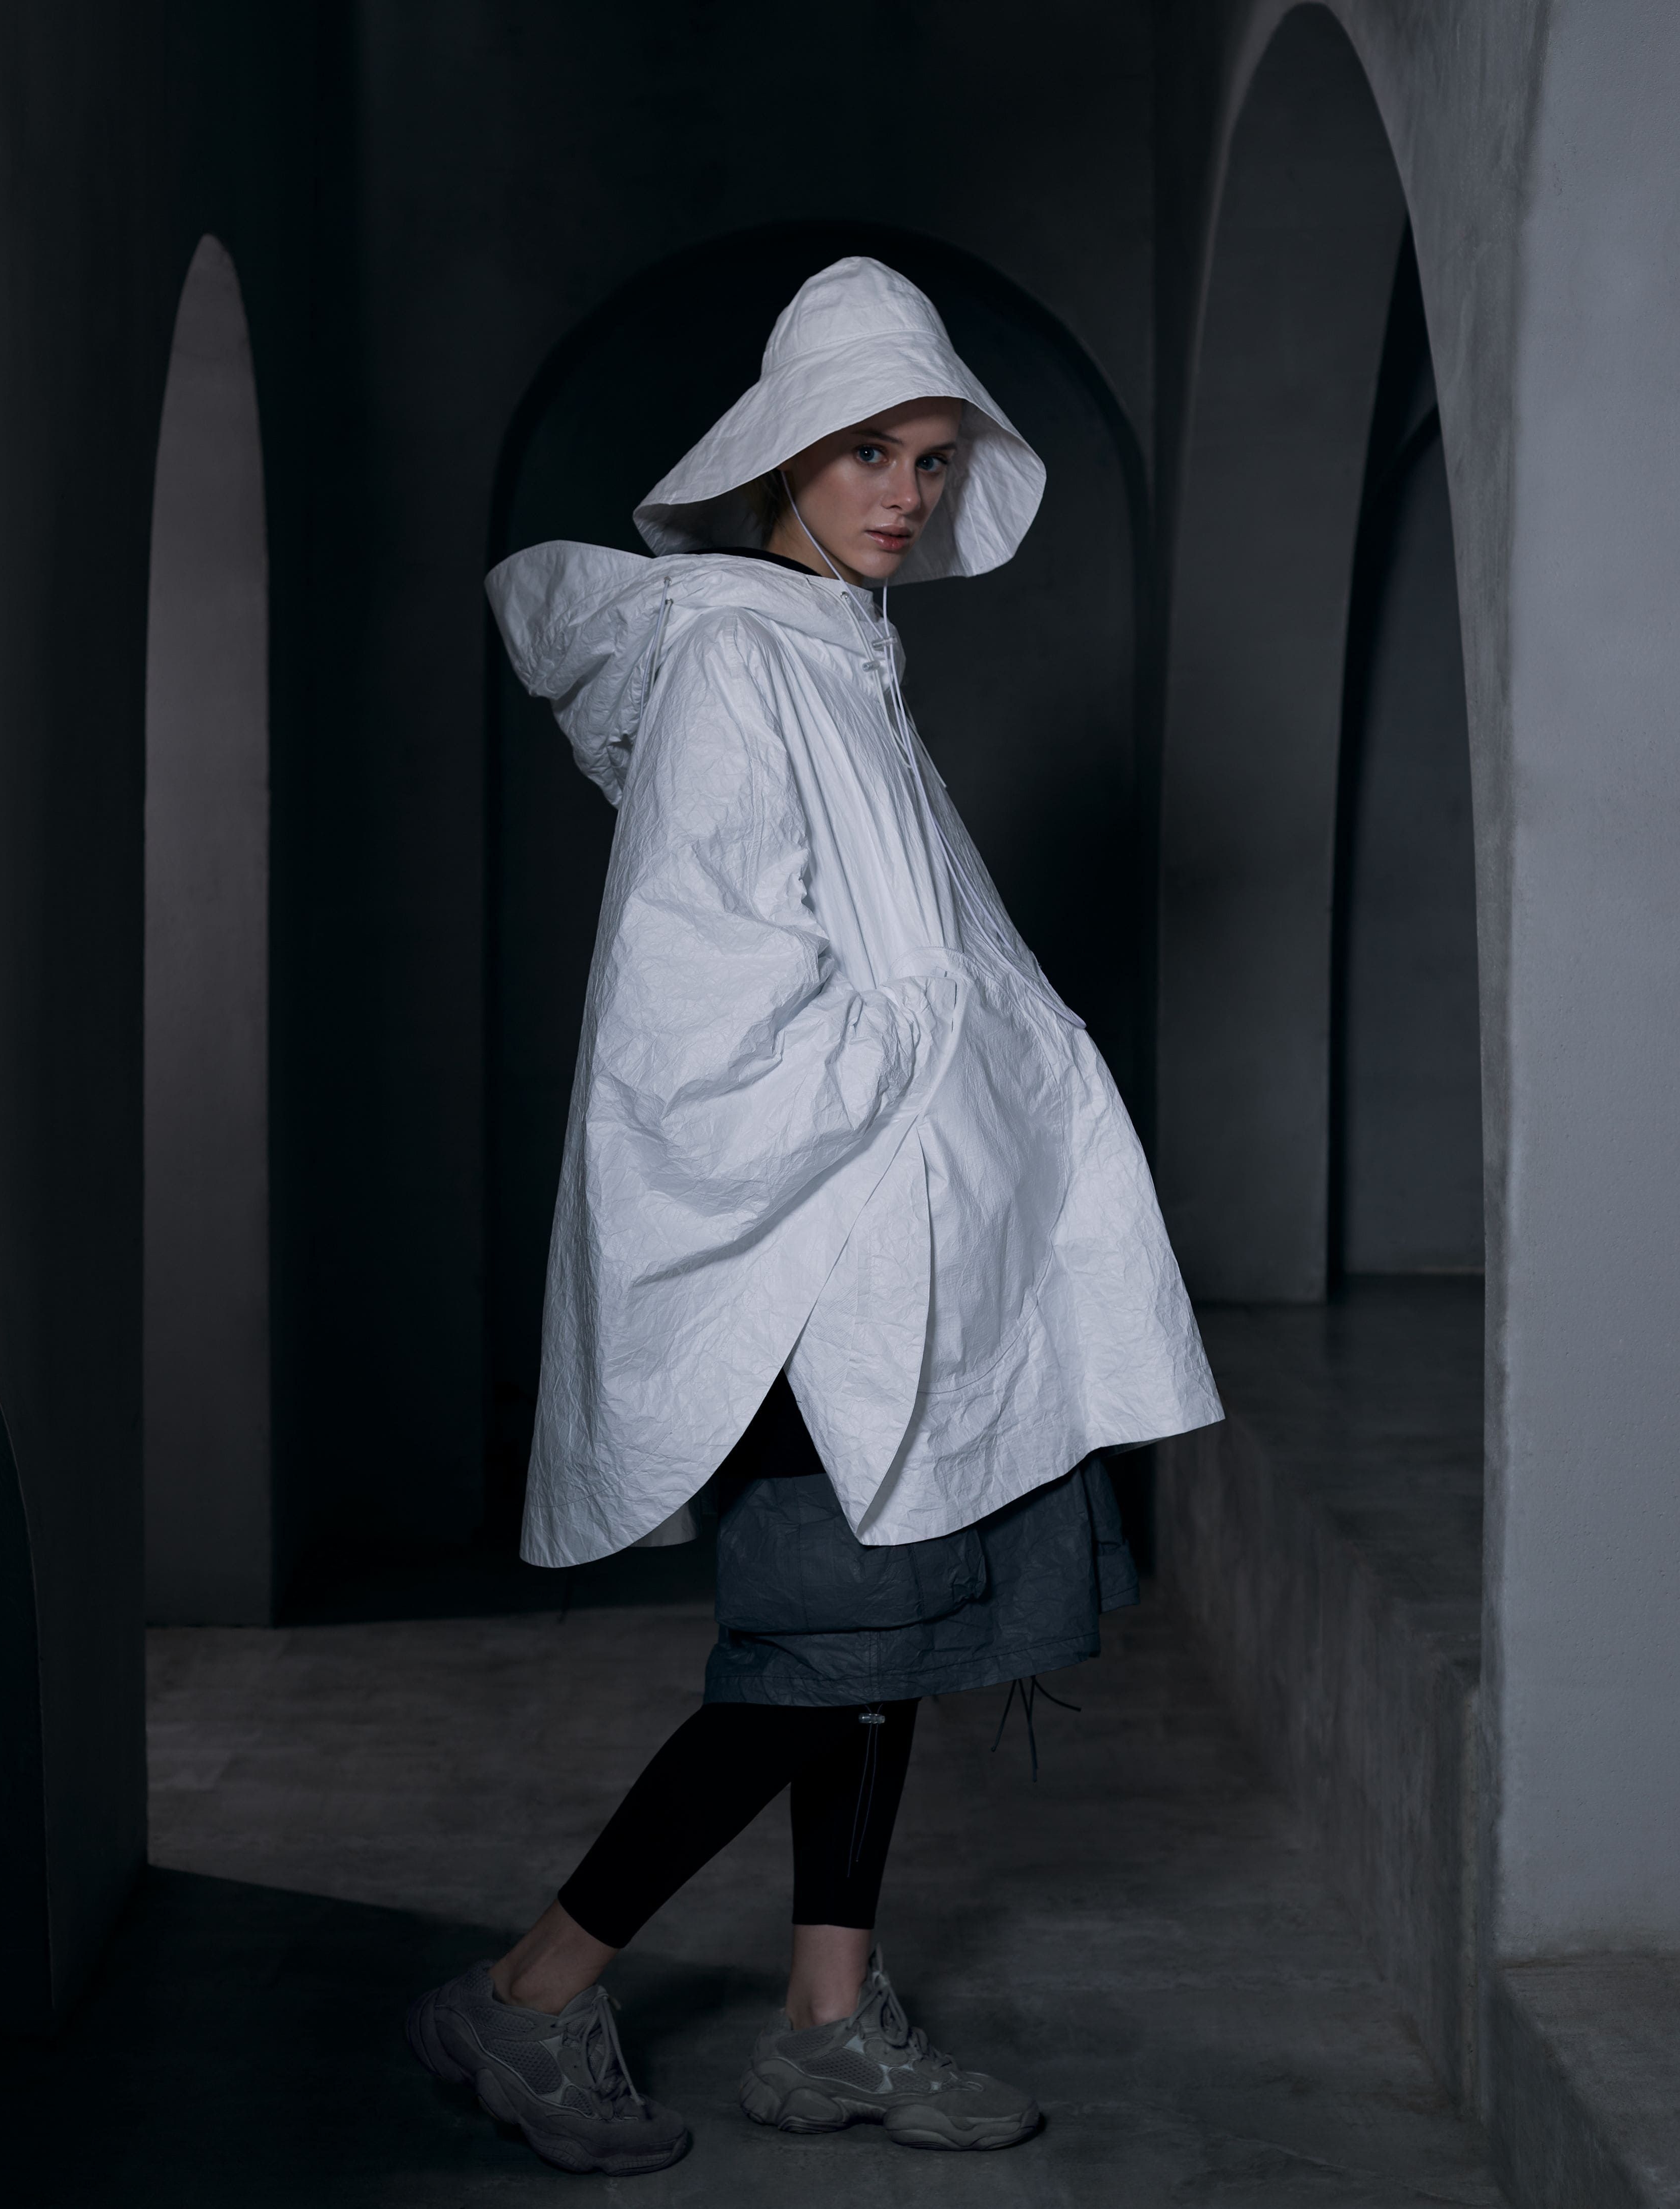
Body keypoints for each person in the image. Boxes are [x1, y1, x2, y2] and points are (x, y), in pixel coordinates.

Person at [406, 257, 1220, 2177]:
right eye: (870, 453)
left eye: (932, 460)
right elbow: (699, 1007)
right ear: (785, 452)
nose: (905, 495)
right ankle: (522, 1993)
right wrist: (954, 1046)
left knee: (896, 1637)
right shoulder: (736, 662)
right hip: (809, 1250)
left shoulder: (842, 654)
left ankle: (827, 2030)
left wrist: (987, 1072)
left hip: (908, 1245)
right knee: (820, 1658)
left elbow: (920, 951)